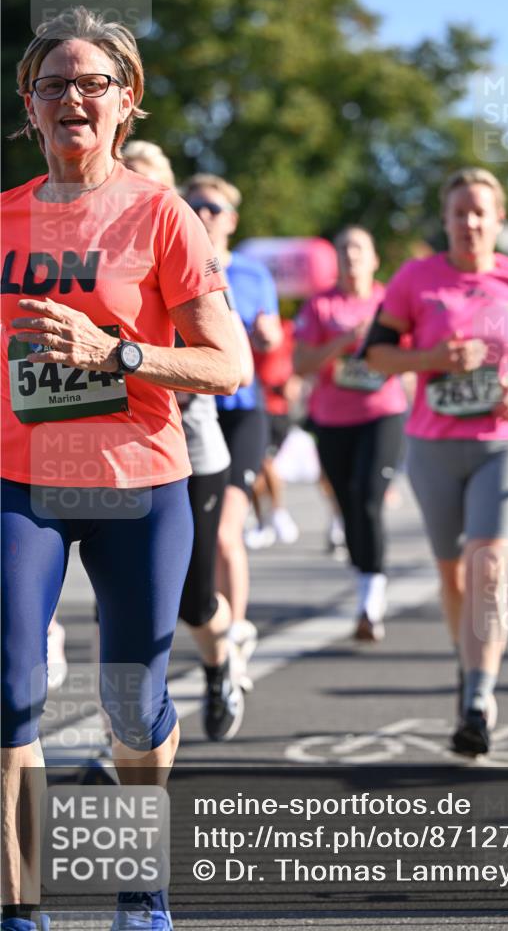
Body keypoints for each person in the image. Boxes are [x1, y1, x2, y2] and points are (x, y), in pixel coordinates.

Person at [1, 8, 241, 931]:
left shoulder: (160, 216)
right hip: (19, 481)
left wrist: (116, 353)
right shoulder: (5, 216)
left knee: (133, 702)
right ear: (29, 105)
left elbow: (226, 364)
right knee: (11, 686)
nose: (73, 97)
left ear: (126, 102)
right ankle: (19, 906)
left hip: (135, 479)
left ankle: (143, 890)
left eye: (92, 83)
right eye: (53, 83)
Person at [364, 167, 508, 754]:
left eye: (481, 212)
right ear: (446, 219)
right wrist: (432, 357)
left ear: (499, 220)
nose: (470, 222)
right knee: (452, 575)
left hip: (505, 442)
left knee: (488, 568)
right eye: (459, 213)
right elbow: (375, 356)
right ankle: (469, 662)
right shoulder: (416, 279)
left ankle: (477, 698)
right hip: (433, 445)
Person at [123, 142, 254, 742]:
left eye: (148, 187)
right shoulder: (95, 255)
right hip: (110, 454)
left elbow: (234, 365)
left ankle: (219, 662)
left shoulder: (185, 248)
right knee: (116, 605)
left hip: (190, 450)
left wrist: (150, 364)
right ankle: (120, 735)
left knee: (194, 602)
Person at [183, 174, 283, 691]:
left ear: (231, 220)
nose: (202, 215)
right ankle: (211, 625)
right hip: (192, 408)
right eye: (193, 204)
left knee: (225, 532)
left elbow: (271, 337)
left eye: (213, 208)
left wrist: (268, 338)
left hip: (240, 411)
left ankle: (234, 639)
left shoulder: (251, 272)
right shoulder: (170, 261)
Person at [294, 227, 408, 640]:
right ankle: (364, 577)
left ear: (375, 258)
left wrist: (381, 353)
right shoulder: (320, 305)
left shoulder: (390, 302)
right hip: (332, 419)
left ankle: (371, 598)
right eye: (343, 249)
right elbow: (301, 364)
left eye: (360, 248)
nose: (351, 256)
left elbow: (409, 355)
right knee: (347, 504)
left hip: (382, 413)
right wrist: (343, 341)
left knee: (369, 496)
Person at [245, 315, 302, 550]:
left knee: (266, 462)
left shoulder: (288, 330)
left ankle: (278, 511)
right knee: (254, 471)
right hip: (253, 408)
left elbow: (301, 357)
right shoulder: (246, 333)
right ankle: (262, 521)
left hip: (277, 409)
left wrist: (295, 379)